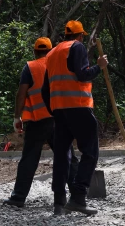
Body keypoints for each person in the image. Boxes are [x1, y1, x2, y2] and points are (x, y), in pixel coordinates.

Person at [3, 37, 78, 211]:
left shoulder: (30, 67)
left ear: (35, 51)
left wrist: (17, 117)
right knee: (67, 157)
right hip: (60, 118)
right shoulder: (59, 64)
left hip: (37, 121)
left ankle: (18, 197)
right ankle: (77, 195)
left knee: (29, 159)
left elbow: (21, 94)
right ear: (51, 50)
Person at [42, 20, 108, 215]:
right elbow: (82, 75)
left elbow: (46, 89)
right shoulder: (77, 47)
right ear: (79, 36)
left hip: (60, 111)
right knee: (90, 152)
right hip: (78, 107)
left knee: (62, 156)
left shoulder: (52, 53)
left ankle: (59, 203)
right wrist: (99, 66)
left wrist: (53, 110)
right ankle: (78, 197)